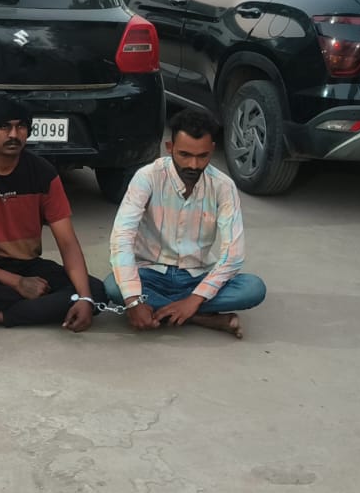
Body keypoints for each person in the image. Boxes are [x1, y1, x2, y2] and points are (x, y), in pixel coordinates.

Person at [0, 94, 107, 342]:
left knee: (95, 292)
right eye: (4, 127)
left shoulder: (44, 174)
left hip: (26, 265)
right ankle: (28, 306)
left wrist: (84, 298)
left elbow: (67, 243)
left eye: (21, 127)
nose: (14, 135)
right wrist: (17, 283)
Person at [105, 109, 266, 337]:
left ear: (212, 150)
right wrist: (132, 300)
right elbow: (122, 237)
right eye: (184, 155)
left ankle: (175, 310)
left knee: (253, 288)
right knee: (113, 286)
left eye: (202, 156)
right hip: (150, 272)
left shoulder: (223, 186)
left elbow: (233, 254)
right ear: (169, 148)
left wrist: (194, 299)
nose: (193, 165)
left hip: (197, 276)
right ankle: (202, 318)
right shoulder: (147, 177)